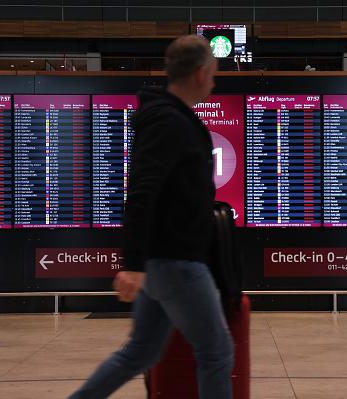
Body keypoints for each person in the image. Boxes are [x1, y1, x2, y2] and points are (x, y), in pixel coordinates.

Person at [69, 35, 233, 399]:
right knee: (217, 352)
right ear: (201, 73)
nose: (215, 81)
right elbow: (142, 193)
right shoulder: (169, 122)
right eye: (215, 73)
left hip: (164, 262)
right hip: (177, 262)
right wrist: (132, 263)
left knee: (139, 353)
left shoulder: (171, 118)